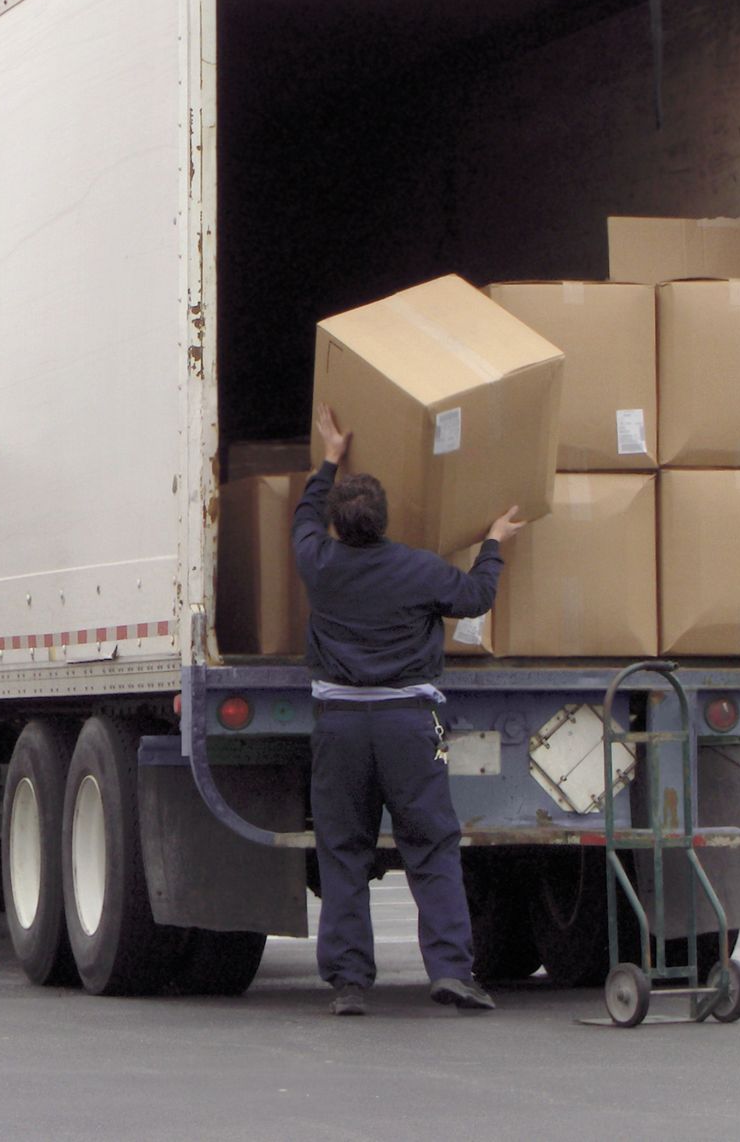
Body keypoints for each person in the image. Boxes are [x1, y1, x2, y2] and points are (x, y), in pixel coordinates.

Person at [295, 402, 524, 1017]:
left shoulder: (318, 564)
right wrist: (494, 543)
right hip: (407, 724)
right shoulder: (419, 569)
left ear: (337, 527)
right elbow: (475, 598)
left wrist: (329, 460)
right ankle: (451, 970)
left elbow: (302, 519)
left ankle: (349, 983)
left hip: (339, 726)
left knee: (343, 849)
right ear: (387, 520)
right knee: (430, 846)